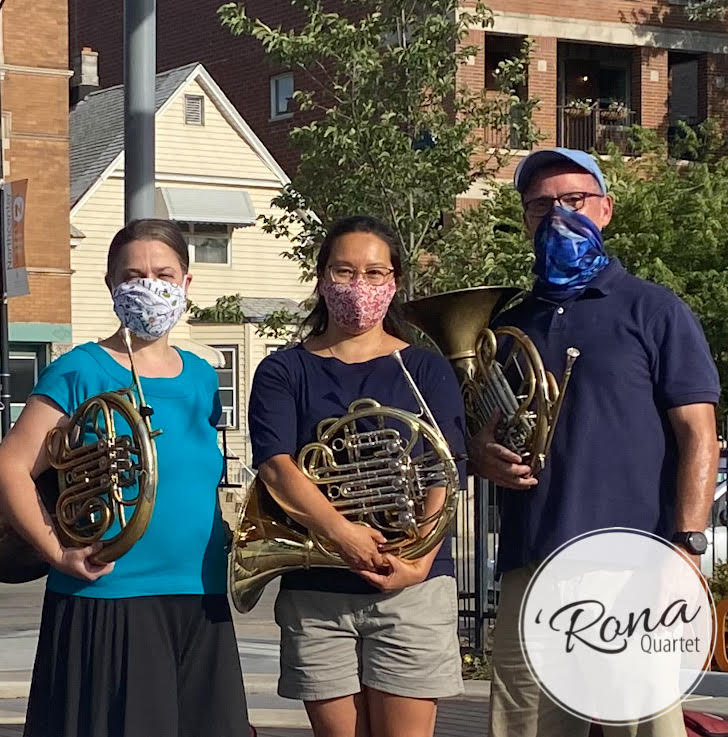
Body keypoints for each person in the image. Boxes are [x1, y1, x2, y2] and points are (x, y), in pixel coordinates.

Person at [473, 147, 722, 737]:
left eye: (574, 200)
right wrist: (481, 454)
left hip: (634, 562)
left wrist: (687, 548)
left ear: (605, 210)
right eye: (541, 205)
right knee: (525, 728)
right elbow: (484, 429)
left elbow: (700, 434)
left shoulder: (655, 309)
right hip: (532, 561)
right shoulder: (508, 322)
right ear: (525, 220)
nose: (557, 214)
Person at [0, 218, 249, 737]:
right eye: (133, 276)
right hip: (111, 595)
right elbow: (9, 467)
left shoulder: (201, 376)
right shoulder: (82, 368)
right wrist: (56, 551)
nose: (149, 286)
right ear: (110, 285)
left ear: (187, 283)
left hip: (201, 594)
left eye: (164, 275)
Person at [247, 216, 466, 737]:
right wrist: (342, 532)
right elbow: (277, 466)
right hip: (317, 585)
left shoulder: (426, 369)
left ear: (394, 281)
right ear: (322, 278)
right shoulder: (283, 370)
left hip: (411, 586)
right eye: (344, 271)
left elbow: (446, 471)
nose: (358, 285)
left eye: (374, 272)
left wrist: (417, 562)